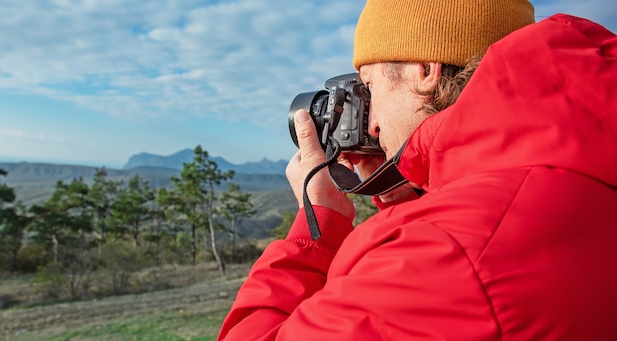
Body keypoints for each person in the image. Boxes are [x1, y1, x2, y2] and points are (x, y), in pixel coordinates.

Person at [219, 0, 617, 339]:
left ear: (424, 70)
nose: (371, 125)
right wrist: (401, 198)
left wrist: (318, 218)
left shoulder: (448, 252)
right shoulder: (579, 167)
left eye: (369, 88)